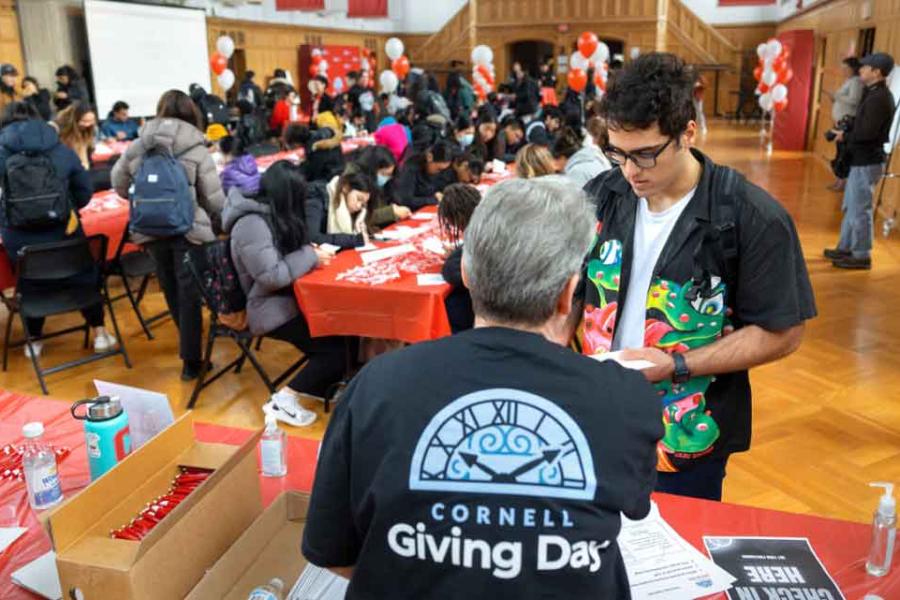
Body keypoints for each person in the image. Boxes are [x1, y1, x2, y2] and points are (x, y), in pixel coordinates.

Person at [303, 178, 662, 598]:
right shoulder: (626, 397)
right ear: (568, 293)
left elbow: (332, 550)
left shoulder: (375, 385)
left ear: (468, 276)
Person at [582, 52, 816, 501]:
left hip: (685, 437)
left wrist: (676, 365)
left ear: (688, 132)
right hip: (599, 420)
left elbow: (783, 332)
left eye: (646, 154)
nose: (630, 171)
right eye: (617, 153)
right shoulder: (601, 194)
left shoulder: (750, 217)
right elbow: (571, 291)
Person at [112, 89, 226, 381]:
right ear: (192, 114)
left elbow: (119, 183)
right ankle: (191, 361)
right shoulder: (197, 148)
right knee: (190, 294)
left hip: (151, 229)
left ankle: (190, 355)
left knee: (171, 290)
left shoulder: (140, 144)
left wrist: (150, 199)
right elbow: (213, 200)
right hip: (189, 230)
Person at [224, 160, 347, 426]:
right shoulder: (251, 224)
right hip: (267, 306)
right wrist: (309, 255)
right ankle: (284, 400)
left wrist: (307, 252)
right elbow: (271, 275)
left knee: (344, 328)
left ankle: (318, 386)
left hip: (289, 296)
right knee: (334, 348)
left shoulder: (271, 216)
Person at [0, 102, 116, 357]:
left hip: (19, 240)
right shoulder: (60, 150)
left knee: (28, 279)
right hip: (65, 233)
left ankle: (35, 339)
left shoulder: (1, 152)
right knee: (83, 274)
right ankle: (99, 333)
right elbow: (84, 193)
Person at [826, 52, 896, 270]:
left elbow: (867, 132)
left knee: (860, 209)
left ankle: (861, 254)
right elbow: (862, 124)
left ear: (877, 72)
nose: (861, 70)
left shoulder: (880, 98)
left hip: (867, 160)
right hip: (860, 159)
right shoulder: (873, 93)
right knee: (851, 206)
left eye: (865, 68)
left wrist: (844, 135)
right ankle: (846, 247)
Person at [438, 183, 480, 333]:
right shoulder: (485, 223)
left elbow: (451, 272)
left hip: (480, 308)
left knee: (449, 302)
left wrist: (457, 255)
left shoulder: (478, 232)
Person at [305, 163, 372, 249]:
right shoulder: (317, 200)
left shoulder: (349, 210)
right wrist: (353, 240)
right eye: (358, 199)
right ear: (346, 188)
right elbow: (312, 238)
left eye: (363, 204)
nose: (359, 206)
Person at [824, 57, 864, 192]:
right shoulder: (849, 81)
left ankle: (843, 182)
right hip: (840, 122)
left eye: (846, 68)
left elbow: (854, 100)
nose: (843, 70)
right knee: (839, 152)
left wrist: (836, 96)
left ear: (853, 68)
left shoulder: (857, 82)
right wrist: (834, 98)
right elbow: (844, 100)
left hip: (848, 124)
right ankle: (839, 180)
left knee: (843, 154)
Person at [352, 144, 411, 227]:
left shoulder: (386, 185)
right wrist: (391, 212)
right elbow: (360, 218)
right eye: (383, 174)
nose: (386, 178)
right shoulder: (357, 184)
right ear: (372, 170)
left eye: (389, 175)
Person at [394, 139, 455, 210]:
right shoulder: (410, 168)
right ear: (429, 157)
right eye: (439, 169)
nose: (440, 172)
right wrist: (432, 200)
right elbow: (406, 200)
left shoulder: (439, 170)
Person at [55, 101, 97, 171]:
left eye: (91, 121)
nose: (87, 124)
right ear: (75, 119)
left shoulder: (89, 130)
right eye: (83, 121)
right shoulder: (60, 130)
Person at [692, 72, 708, 136]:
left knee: (700, 112)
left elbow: (705, 85)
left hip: (699, 98)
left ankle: (703, 127)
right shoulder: (693, 80)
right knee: (694, 112)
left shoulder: (701, 79)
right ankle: (695, 127)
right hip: (693, 97)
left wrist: (699, 85)